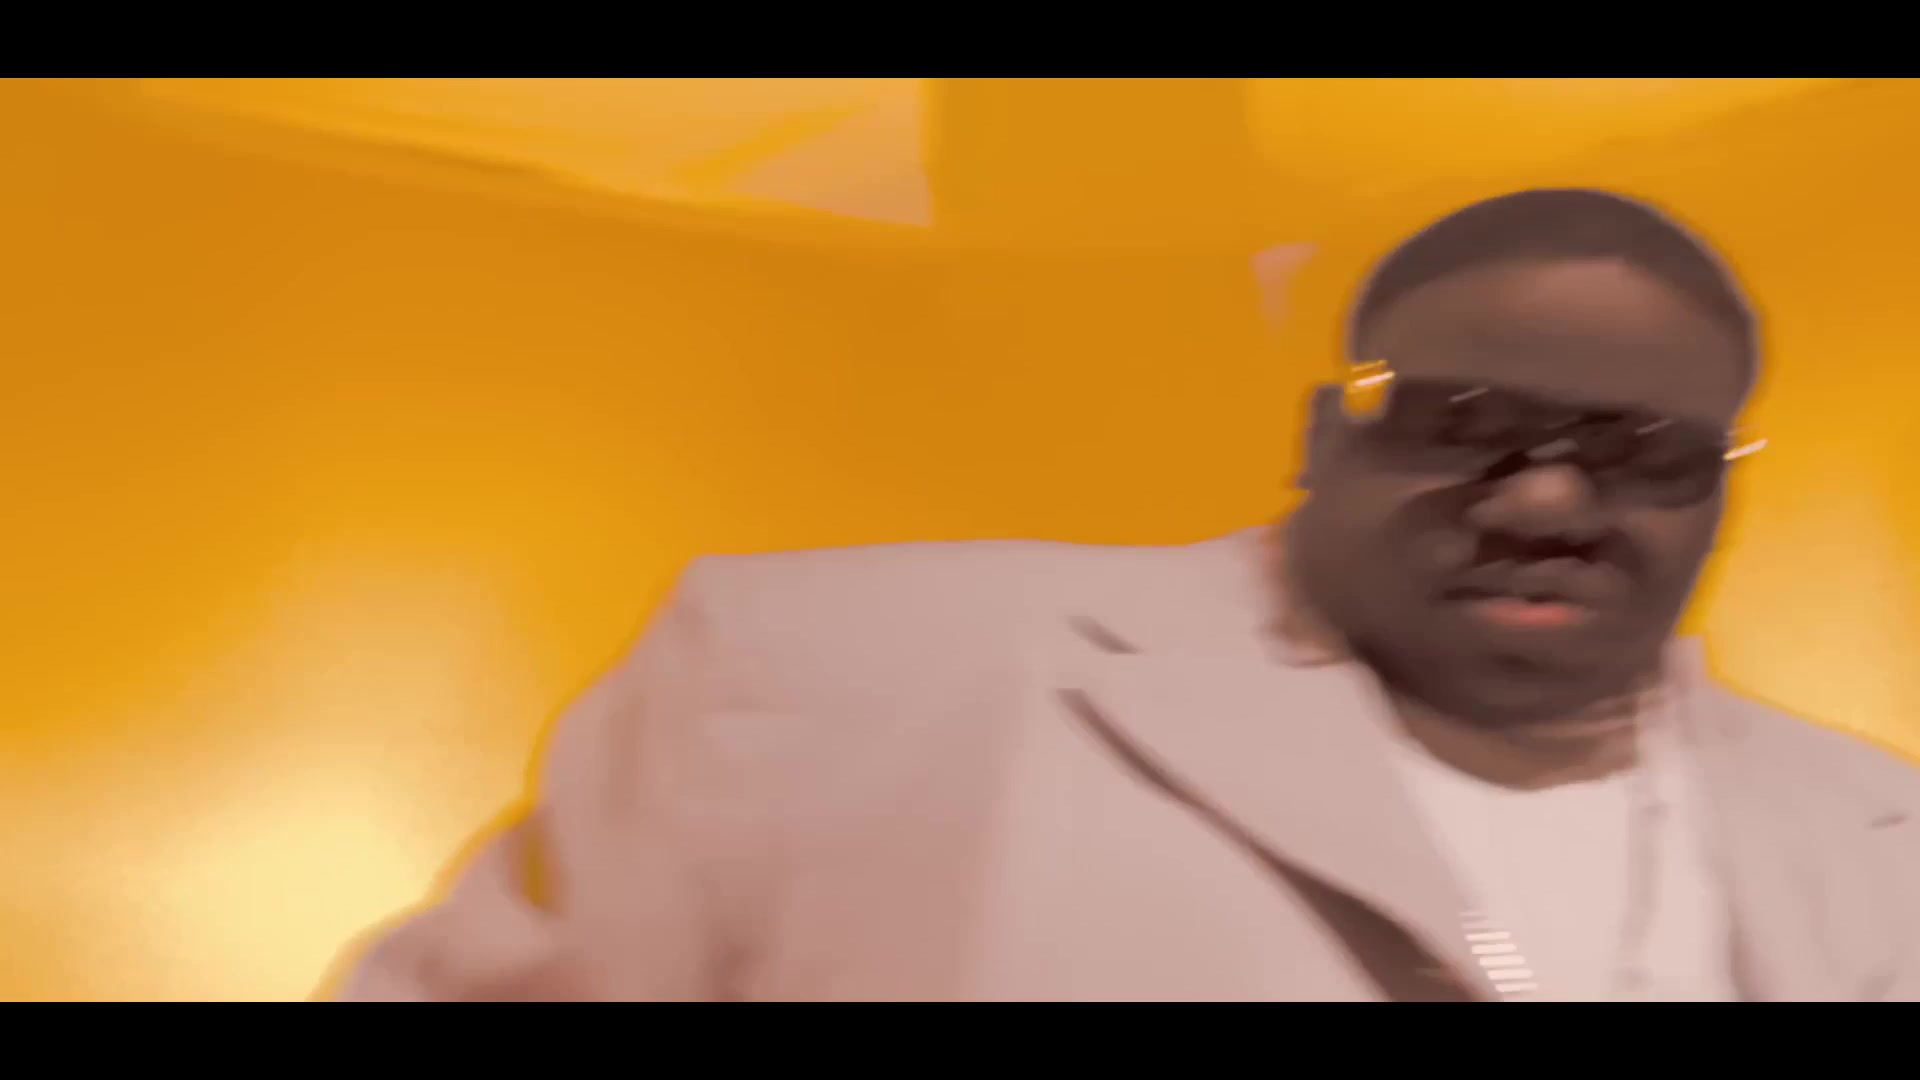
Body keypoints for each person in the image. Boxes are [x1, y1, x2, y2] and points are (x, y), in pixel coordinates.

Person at [334, 188, 1920, 1002]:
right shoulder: (826, 676)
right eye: (1468, 423)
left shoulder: (1877, 835)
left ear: (1720, 488)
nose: (1547, 500)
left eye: (1640, 451)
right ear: (1327, 437)